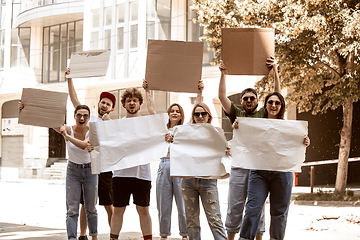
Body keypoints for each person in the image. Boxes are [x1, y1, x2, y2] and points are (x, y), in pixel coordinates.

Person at [218, 56, 280, 240]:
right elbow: (221, 96)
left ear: (258, 101)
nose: (249, 100)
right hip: (238, 167)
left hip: (258, 166)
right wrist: (223, 74)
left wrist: (275, 71)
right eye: (246, 98)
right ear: (242, 101)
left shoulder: (263, 113)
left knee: (257, 207)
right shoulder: (236, 114)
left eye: (252, 98)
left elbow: (278, 95)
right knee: (235, 205)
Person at [237, 92, 310, 240]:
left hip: (282, 173)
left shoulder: (290, 127)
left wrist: (304, 142)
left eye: (277, 103)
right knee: (252, 210)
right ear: (265, 105)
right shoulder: (255, 125)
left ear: (282, 106)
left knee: (279, 213)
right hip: (259, 173)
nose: (274, 105)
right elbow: (244, 140)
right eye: (270, 102)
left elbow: (295, 148)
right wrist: (239, 128)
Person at [142, 79, 204, 240]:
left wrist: (199, 93)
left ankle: (185, 236)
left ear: (181, 114)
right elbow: (151, 110)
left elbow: (197, 110)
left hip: (180, 167)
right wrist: (147, 91)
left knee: (183, 206)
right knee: (164, 205)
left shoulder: (185, 129)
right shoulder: (162, 127)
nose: (175, 113)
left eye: (178, 111)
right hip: (164, 165)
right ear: (168, 114)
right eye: (172, 111)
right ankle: (164, 236)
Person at [65, 68, 115, 240]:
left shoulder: (112, 124)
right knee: (84, 204)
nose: (104, 106)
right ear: (98, 104)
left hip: (104, 167)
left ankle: (112, 236)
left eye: (108, 104)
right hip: (86, 166)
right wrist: (69, 78)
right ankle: (83, 235)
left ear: (112, 109)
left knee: (108, 205)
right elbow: (74, 99)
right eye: (103, 102)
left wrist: (109, 123)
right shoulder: (89, 118)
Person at [175, 102, 228, 240]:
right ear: (192, 116)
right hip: (188, 182)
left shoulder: (217, 132)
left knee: (215, 219)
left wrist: (228, 151)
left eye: (203, 113)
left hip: (208, 181)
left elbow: (225, 152)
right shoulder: (185, 132)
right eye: (196, 114)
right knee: (192, 222)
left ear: (208, 116)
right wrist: (170, 139)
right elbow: (174, 143)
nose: (200, 116)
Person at [108, 87, 153, 240]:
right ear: (124, 105)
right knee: (118, 210)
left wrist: (148, 92)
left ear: (140, 104)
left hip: (142, 174)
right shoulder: (117, 125)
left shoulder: (147, 123)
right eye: (129, 101)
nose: (132, 103)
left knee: (144, 210)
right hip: (120, 174)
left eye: (135, 100)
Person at [58, 105, 98, 240]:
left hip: (90, 171)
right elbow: (47, 120)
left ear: (89, 117)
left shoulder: (92, 130)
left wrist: (66, 136)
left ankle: (93, 236)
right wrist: (24, 108)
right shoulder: (68, 129)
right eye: (79, 115)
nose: (82, 118)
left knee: (91, 209)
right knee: (72, 210)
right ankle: (72, 238)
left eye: (86, 116)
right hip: (73, 171)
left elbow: (83, 145)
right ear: (74, 116)